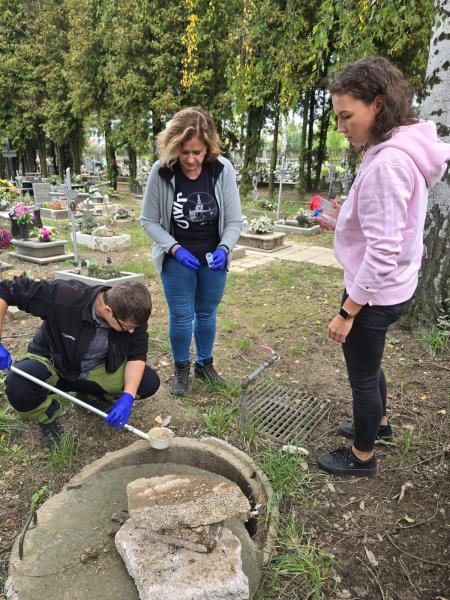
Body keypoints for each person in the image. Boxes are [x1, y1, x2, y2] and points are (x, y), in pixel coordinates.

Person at [314, 56, 450, 477]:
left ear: (377, 103)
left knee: (362, 376)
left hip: (374, 292)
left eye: (346, 116)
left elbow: (383, 250)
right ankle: (381, 424)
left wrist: (347, 311)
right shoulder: (394, 148)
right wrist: (341, 219)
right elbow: (387, 226)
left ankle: (361, 456)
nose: (341, 127)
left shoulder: (388, 163)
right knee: (370, 367)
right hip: (393, 287)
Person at [141, 106, 242, 396]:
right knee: (182, 316)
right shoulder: (161, 172)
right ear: (174, 146)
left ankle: (205, 365)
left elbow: (235, 220)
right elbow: (148, 220)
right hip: (178, 260)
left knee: (207, 314)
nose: (191, 159)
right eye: (185, 152)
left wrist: (225, 248)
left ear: (207, 146)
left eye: (197, 152)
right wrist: (173, 248)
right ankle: (181, 368)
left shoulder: (221, 169)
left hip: (213, 259)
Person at [0, 276, 160, 449]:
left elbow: (137, 355)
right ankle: (47, 419)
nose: (132, 332)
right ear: (108, 311)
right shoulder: (64, 296)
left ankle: (89, 397)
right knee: (18, 384)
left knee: (147, 382)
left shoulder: (132, 318)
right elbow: (7, 289)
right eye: (127, 327)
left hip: (96, 368)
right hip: (54, 364)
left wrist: (128, 396)